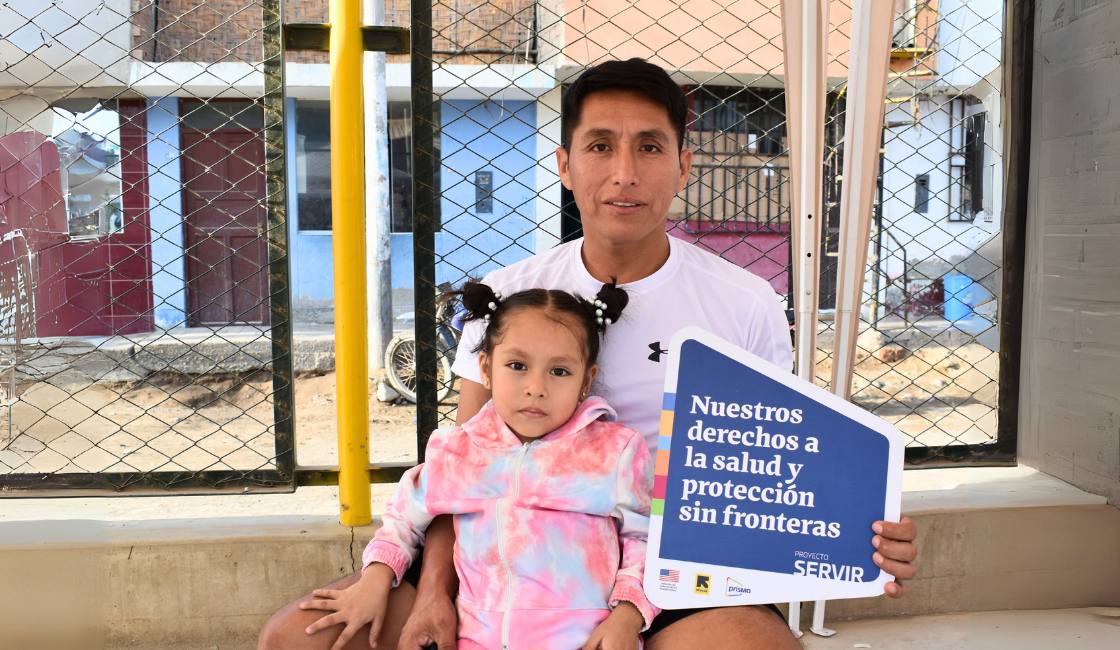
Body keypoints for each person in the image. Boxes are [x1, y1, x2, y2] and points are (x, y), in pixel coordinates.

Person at [259, 57, 918, 650]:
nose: (624, 173)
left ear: (684, 164)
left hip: (665, 578)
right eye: (600, 146)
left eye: (650, 147)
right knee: (297, 638)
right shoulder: (509, 298)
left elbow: (777, 473)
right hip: (500, 573)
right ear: (565, 165)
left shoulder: (746, 303)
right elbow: (459, 470)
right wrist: (435, 593)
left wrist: (859, 538)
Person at [293, 281, 656, 650]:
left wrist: (628, 615)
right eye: (517, 365)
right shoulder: (459, 451)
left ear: (586, 381)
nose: (535, 387)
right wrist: (374, 580)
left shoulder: (615, 452)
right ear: (486, 368)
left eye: (559, 372)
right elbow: (404, 519)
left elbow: (643, 539)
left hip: (586, 640)